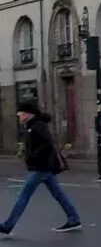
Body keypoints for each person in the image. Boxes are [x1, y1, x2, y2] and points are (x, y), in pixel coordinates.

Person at [0, 101, 82, 236]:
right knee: (58, 194)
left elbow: (48, 144)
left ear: (27, 113)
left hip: (40, 168)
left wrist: (33, 157)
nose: (18, 116)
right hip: (44, 168)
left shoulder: (38, 125)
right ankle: (74, 219)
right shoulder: (34, 125)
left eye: (20, 113)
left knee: (23, 196)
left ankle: (8, 226)